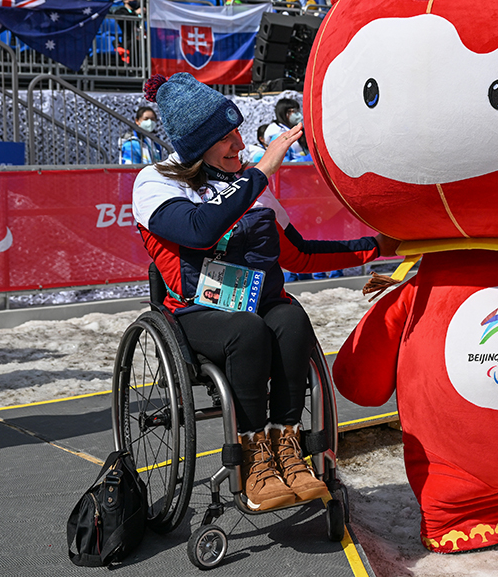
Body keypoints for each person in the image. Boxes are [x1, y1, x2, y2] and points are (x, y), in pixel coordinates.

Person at [132, 73, 395, 510]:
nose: (238, 144)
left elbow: (302, 256)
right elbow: (197, 231)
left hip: (259, 303)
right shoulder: (156, 182)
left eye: (237, 132)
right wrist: (260, 173)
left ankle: (286, 444)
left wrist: (375, 248)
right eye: (225, 138)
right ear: (197, 146)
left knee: (290, 319)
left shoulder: (253, 189)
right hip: (198, 313)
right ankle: (253, 456)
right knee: (247, 330)